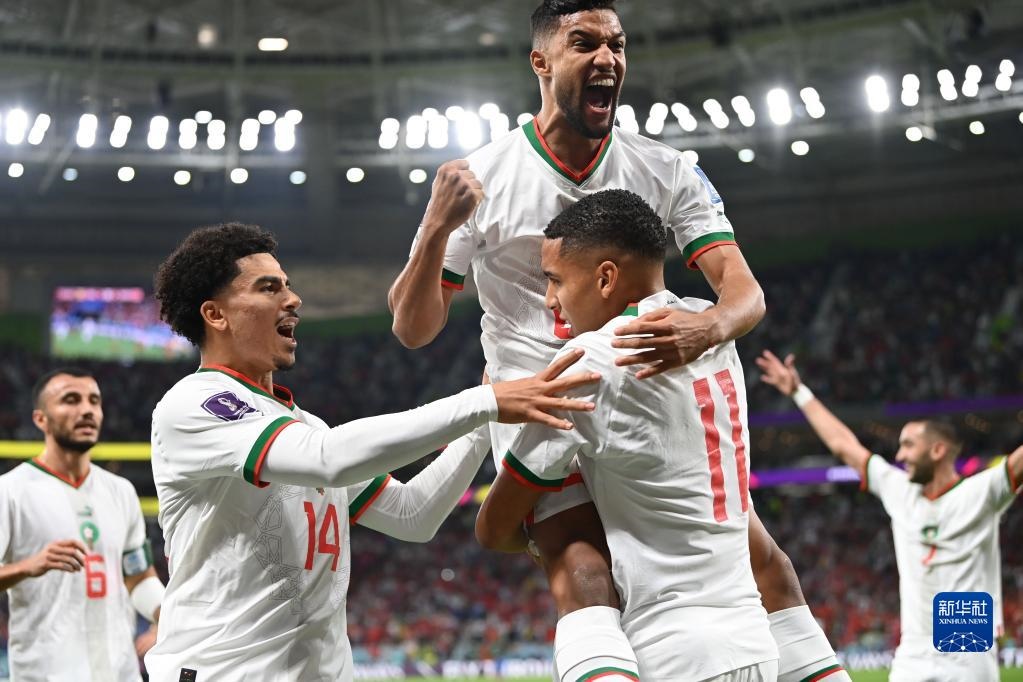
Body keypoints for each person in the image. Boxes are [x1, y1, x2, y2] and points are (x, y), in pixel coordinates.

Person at [389, 2, 847, 680]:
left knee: (767, 566)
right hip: (545, 404)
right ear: (541, 62)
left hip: (640, 388)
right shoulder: (485, 177)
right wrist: (434, 229)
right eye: (584, 43)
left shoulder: (666, 168)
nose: (606, 57)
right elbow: (413, 328)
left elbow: (743, 293)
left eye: (617, 44)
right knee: (584, 571)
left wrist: (707, 326)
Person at [144, 222, 600, 681]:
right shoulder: (195, 404)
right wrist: (484, 402)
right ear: (215, 315)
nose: (293, 299)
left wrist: (485, 422)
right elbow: (327, 457)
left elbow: (412, 514)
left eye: (288, 285)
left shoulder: (304, 427)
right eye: (269, 288)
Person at [476, 189, 779, 681]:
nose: (550, 301)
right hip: (754, 644)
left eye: (555, 280)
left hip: (674, 651)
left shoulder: (592, 360)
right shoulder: (707, 327)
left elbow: (493, 527)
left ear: (605, 277)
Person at [756, 349, 1023, 682]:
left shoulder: (981, 492)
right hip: (913, 655)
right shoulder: (899, 490)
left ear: (938, 450)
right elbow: (843, 446)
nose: (900, 455)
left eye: (909, 445)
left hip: (969, 650)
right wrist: (799, 392)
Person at [0, 369, 164, 682]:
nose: (87, 410)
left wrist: (167, 618)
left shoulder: (121, 491)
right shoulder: (10, 491)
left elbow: (139, 577)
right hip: (44, 675)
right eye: (71, 400)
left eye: (94, 401)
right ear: (40, 419)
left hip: (120, 673)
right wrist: (27, 566)